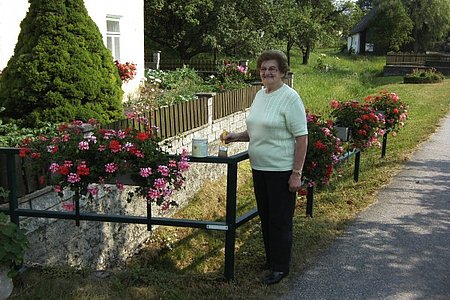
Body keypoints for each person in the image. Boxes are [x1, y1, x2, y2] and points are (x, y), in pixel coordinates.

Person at [223, 50, 308, 285]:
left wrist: (296, 173)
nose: (267, 72)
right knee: (267, 217)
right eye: (263, 69)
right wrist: (235, 136)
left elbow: (302, 138)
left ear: (282, 71)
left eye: (272, 69)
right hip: (259, 168)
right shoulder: (260, 95)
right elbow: (256, 130)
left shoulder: (290, 98)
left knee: (280, 220)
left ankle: (281, 267)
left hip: (281, 171)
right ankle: (272, 260)